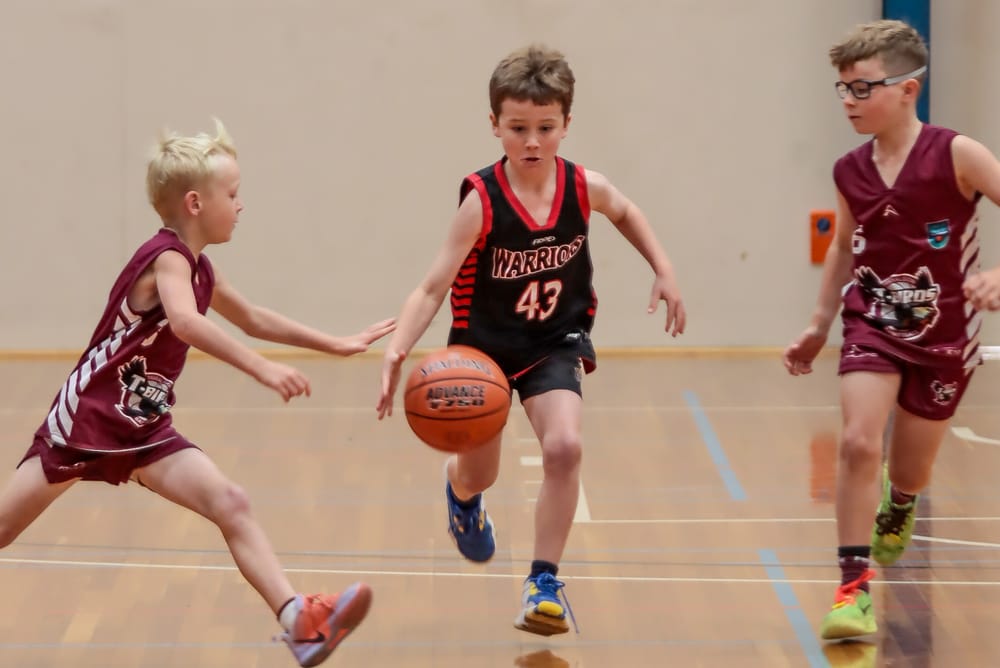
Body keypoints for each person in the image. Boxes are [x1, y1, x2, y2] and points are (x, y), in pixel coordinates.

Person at [0, 120, 395, 667]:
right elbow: (185, 324)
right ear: (194, 202)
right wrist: (261, 369)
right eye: (232, 195)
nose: (240, 206)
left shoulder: (200, 267)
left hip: (141, 426)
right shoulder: (166, 258)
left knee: (230, 502)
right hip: (87, 421)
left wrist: (337, 343)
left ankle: (299, 622)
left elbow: (254, 317)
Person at [376, 45, 685, 636]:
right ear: (494, 125)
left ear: (567, 124)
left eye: (546, 127)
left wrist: (663, 267)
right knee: (479, 473)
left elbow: (625, 211)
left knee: (565, 447)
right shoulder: (482, 202)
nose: (533, 141)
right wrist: (397, 348)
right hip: (481, 352)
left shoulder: (582, 186)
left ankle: (543, 581)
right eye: (518, 128)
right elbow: (432, 285)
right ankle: (461, 497)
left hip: (554, 341)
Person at [784, 20, 1000, 641]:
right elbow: (844, 252)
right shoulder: (849, 169)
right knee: (856, 442)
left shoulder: (959, 154)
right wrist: (819, 324)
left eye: (862, 88)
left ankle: (899, 501)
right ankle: (852, 591)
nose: (849, 102)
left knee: (909, 469)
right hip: (871, 323)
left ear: (909, 89)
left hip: (945, 335)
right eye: (843, 89)